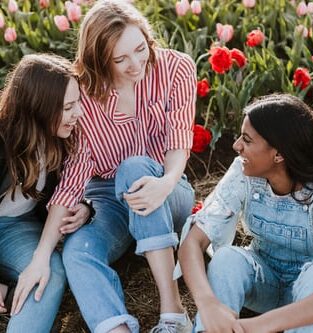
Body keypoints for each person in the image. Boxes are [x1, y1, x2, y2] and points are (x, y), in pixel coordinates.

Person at [11, 1, 197, 332]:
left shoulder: (177, 68)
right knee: (77, 252)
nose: (136, 64)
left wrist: (166, 182)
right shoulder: (83, 95)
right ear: (99, 59)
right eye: (120, 59)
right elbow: (73, 179)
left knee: (134, 168)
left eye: (140, 49)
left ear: (147, 36)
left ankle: (173, 314)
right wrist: (42, 254)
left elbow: (179, 141)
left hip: (167, 188)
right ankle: (116, 328)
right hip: (109, 197)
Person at [178, 93, 313, 333]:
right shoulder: (243, 172)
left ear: (279, 154)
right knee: (227, 258)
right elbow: (193, 242)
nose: (236, 145)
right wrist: (207, 303)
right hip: (265, 282)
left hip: (312, 300)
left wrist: (259, 326)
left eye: (247, 140)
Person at [0, 53, 90, 332]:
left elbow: (75, 183)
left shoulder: (63, 137)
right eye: (68, 107)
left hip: (17, 228)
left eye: (78, 103)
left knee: (48, 274)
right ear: (38, 108)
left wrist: (85, 207)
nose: (79, 113)